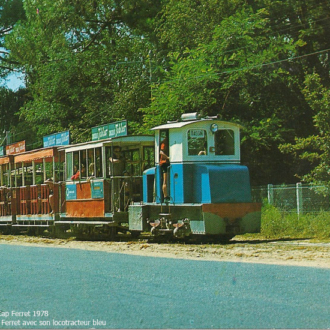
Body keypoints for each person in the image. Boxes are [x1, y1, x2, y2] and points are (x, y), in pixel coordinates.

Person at [159, 137, 170, 202]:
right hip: (164, 164)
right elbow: (161, 152)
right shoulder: (164, 143)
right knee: (165, 181)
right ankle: (165, 196)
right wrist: (167, 157)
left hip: (167, 163)